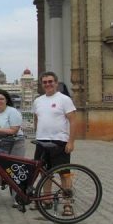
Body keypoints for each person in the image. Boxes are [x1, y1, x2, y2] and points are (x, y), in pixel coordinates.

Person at [32, 71, 76, 216]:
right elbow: (37, 119)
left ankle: (67, 203)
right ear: (42, 84)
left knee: (64, 174)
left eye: (50, 81)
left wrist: (71, 141)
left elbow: (73, 121)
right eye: (44, 82)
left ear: (56, 83)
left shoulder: (64, 99)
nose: (48, 84)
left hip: (59, 141)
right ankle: (47, 199)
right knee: (44, 173)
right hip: (42, 141)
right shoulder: (38, 100)